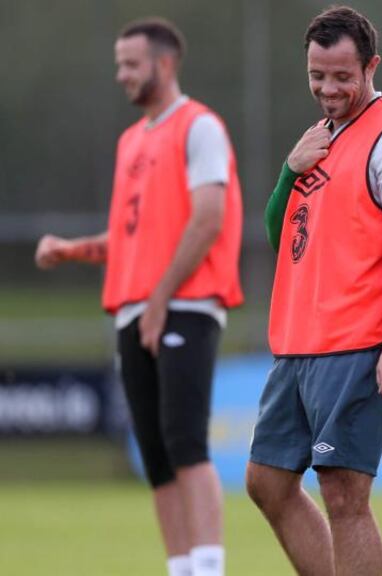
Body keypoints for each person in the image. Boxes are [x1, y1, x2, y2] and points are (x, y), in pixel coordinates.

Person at [34, 18, 242, 576]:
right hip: (135, 308)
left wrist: (159, 300)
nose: (121, 75)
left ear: (165, 64)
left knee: (186, 443)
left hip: (185, 305)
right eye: (119, 64)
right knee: (155, 456)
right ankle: (181, 568)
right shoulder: (133, 140)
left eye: (131, 63)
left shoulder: (199, 127)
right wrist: (72, 249)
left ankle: (208, 567)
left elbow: (208, 219)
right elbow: (134, 239)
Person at [245, 5, 382, 576]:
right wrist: (288, 171)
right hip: (299, 343)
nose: (328, 89)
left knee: (345, 495)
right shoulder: (320, 138)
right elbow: (282, 238)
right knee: (267, 484)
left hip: (356, 342)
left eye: (342, 76)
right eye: (317, 76)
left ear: (371, 65)